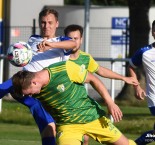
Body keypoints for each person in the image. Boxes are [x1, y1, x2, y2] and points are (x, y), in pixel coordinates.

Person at [11, 60, 136, 145]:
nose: (31, 96)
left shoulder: (64, 69)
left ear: (34, 82)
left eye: (29, 93)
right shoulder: (33, 87)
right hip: (68, 127)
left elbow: (93, 79)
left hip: (93, 117)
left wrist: (110, 102)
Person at [0, 8, 77, 145]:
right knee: (5, 87)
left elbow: (73, 44)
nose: (46, 26)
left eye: (50, 22)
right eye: (43, 22)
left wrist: (51, 45)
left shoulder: (61, 42)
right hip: (23, 83)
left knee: (49, 128)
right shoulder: (33, 39)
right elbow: (24, 55)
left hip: (42, 92)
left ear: (57, 24)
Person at [128, 20, 155, 145]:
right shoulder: (144, 52)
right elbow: (131, 66)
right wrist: (137, 86)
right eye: (154, 30)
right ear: (152, 33)